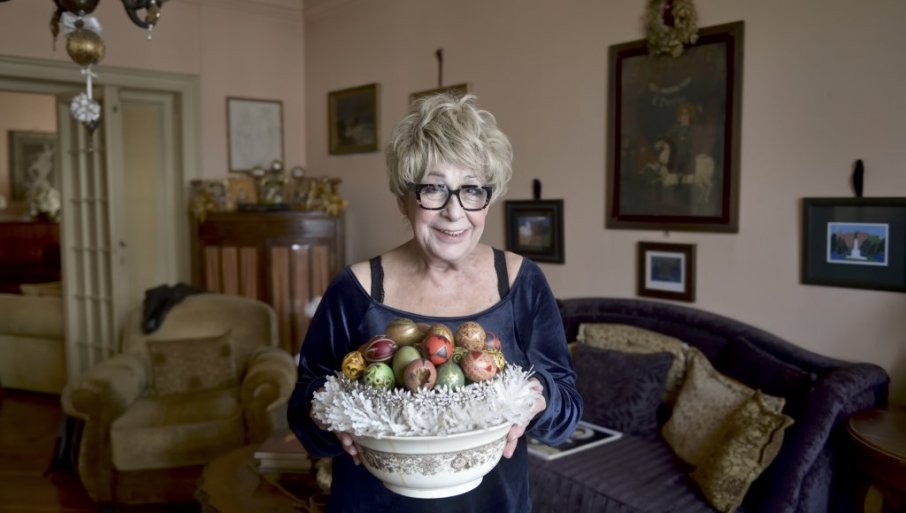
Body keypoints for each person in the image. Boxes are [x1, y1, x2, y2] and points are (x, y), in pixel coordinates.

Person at [288, 93, 582, 512]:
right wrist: (329, 416)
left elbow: (567, 406)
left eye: (471, 190)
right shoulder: (356, 288)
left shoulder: (522, 282)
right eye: (433, 189)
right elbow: (302, 406)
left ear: (489, 198)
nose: (454, 212)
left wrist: (539, 399)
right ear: (403, 199)